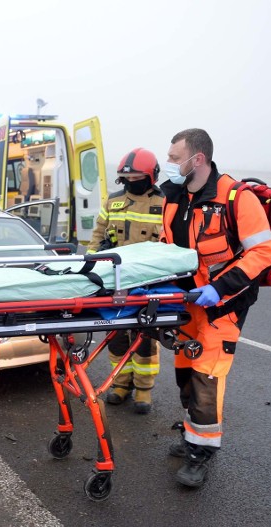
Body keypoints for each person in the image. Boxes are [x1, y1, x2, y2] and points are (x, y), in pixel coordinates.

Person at [160, 128, 271, 488]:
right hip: (187, 301)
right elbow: (169, 248)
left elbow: (263, 252)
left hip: (223, 304)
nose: (169, 164)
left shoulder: (237, 197)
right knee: (183, 369)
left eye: (175, 157)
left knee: (205, 375)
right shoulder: (175, 197)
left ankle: (202, 454)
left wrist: (218, 289)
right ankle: (190, 434)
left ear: (198, 159)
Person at [88, 148, 164, 414]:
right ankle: (120, 384)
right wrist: (90, 264)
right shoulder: (114, 201)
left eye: (138, 177)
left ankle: (143, 389)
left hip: (150, 279)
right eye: (127, 178)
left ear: (151, 176)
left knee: (145, 336)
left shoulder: (165, 203)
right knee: (117, 333)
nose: (132, 182)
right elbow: (98, 234)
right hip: (115, 278)